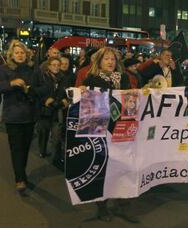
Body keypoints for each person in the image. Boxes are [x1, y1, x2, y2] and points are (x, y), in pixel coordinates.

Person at [80, 47, 137, 223]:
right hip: (99, 129)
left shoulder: (124, 78)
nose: (111, 62)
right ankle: (102, 207)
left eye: (113, 59)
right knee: (102, 167)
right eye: (106, 59)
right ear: (99, 62)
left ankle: (123, 206)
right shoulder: (91, 79)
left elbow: (131, 101)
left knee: (123, 167)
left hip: (121, 128)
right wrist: (81, 90)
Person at [0, 40, 42, 194]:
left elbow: (43, 88)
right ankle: (19, 179)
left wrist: (31, 90)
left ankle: (22, 173)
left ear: (27, 54)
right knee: (16, 148)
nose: (20, 55)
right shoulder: (4, 69)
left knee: (25, 148)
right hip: (13, 117)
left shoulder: (34, 69)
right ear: (11, 55)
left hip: (30, 116)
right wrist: (11, 84)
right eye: (16, 52)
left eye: (22, 52)